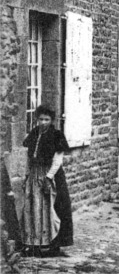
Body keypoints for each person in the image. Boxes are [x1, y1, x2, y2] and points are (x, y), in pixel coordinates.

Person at [20, 105, 73, 257]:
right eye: (41, 119)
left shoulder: (57, 135)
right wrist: (26, 176)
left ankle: (53, 244)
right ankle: (33, 243)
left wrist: (48, 178)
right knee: (33, 208)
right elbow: (29, 158)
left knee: (52, 209)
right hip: (34, 174)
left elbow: (57, 160)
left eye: (47, 119)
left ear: (52, 120)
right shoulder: (34, 133)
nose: (43, 122)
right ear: (37, 120)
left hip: (51, 175)